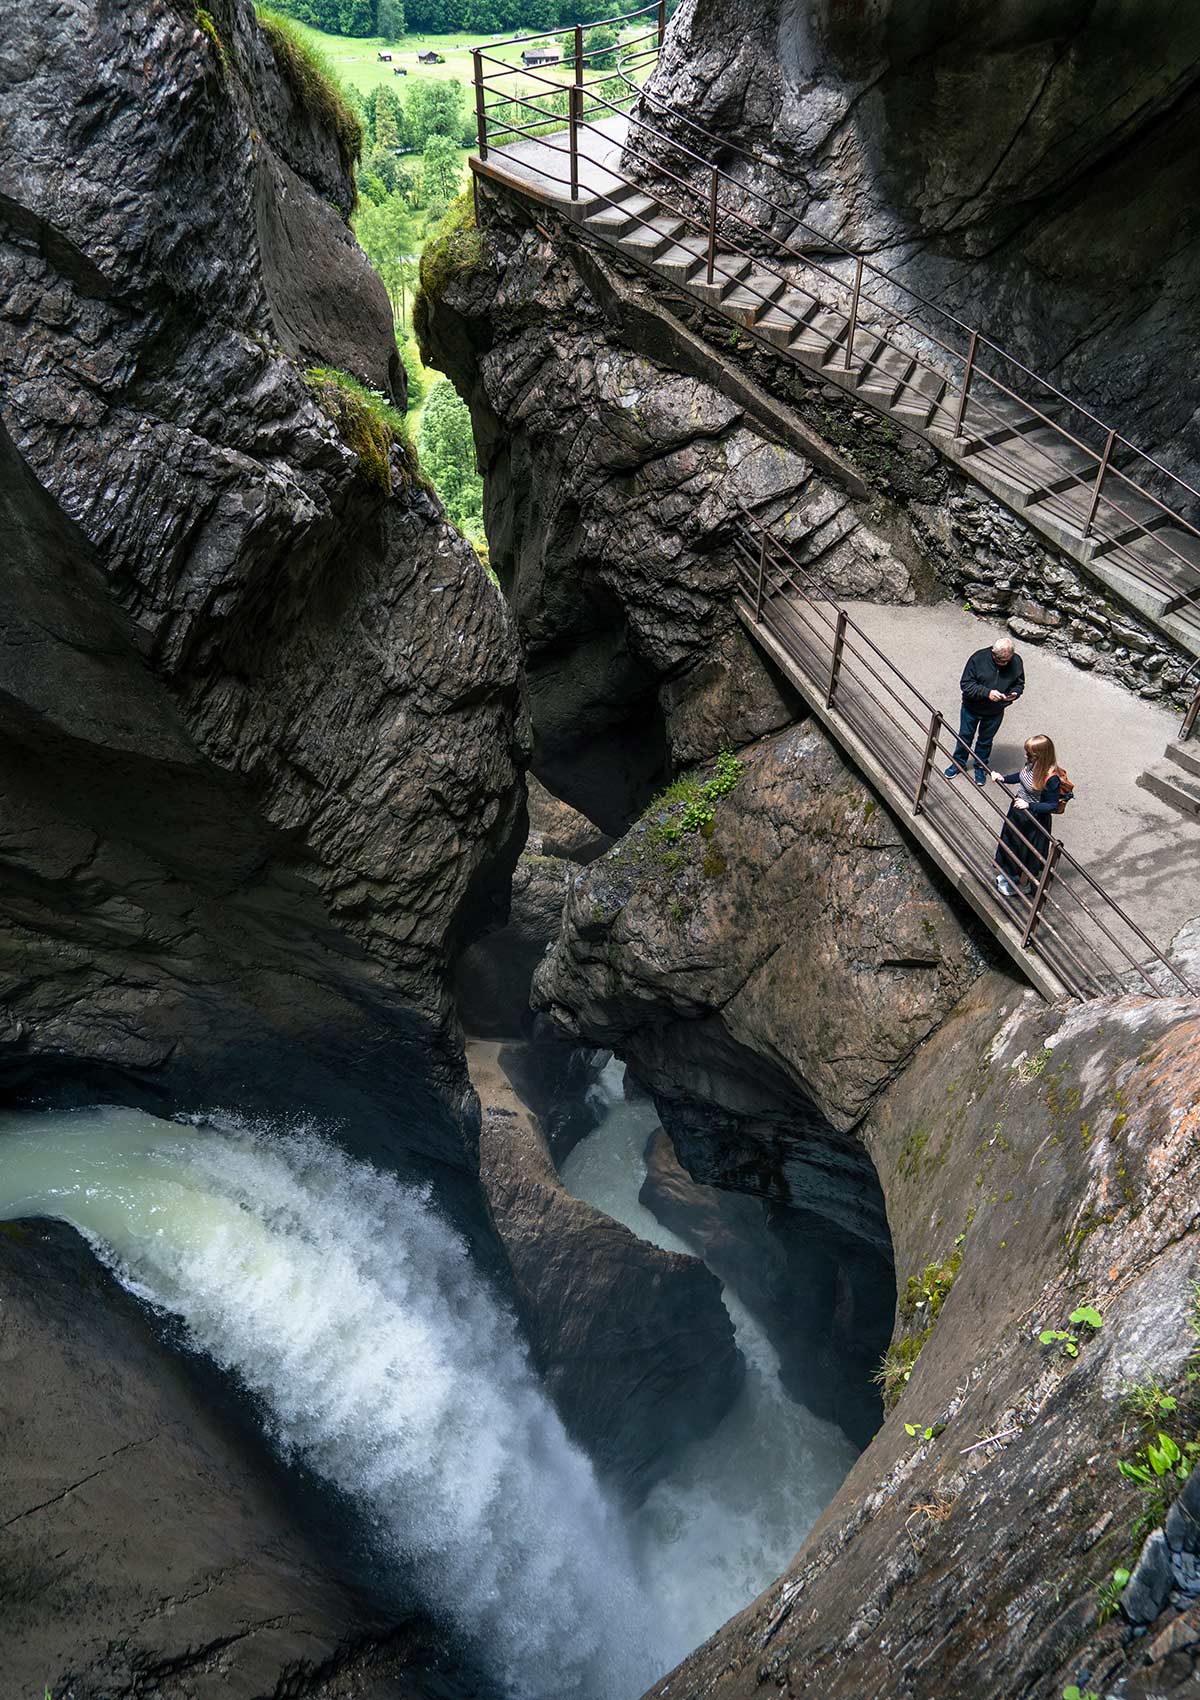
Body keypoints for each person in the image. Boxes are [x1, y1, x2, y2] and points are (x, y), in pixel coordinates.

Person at [944, 636, 1025, 784]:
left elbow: (1019, 683)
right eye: (1001, 661)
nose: (1004, 664)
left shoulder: (1016, 661)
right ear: (993, 654)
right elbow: (966, 685)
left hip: (995, 711)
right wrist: (987, 693)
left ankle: (981, 767)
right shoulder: (978, 659)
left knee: (985, 741)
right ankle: (958, 762)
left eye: (1007, 661)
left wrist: (1015, 693)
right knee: (965, 737)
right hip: (972, 708)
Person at [991, 734, 1062, 899]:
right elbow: (1022, 776)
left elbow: (1052, 805)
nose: (1026, 756)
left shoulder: (1052, 778)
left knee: (1026, 851)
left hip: (1033, 818)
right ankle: (1010, 875)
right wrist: (1004, 778)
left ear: (1040, 756)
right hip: (1018, 811)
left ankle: (1023, 884)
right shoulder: (1031, 764)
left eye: (1030, 754)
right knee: (1013, 843)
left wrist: (1029, 805)